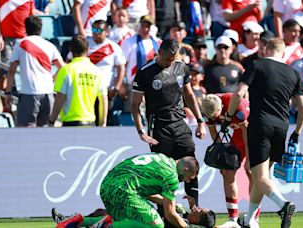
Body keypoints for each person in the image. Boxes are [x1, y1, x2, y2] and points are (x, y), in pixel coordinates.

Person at [222, 38, 303, 228]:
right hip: (282, 128)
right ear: (283, 53)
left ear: (266, 49)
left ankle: (283, 205)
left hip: (260, 125)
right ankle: (251, 219)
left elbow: (238, 94)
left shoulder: (257, 65)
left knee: (259, 177)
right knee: (262, 175)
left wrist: (228, 117)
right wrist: (297, 132)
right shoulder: (294, 73)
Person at [131, 39, 207, 208]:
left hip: (180, 125)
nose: (169, 62)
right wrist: (141, 132)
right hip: (159, 129)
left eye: (172, 59)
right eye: (167, 59)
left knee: (192, 168)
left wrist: (200, 121)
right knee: (162, 175)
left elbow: (189, 95)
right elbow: (134, 105)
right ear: (159, 52)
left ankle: (195, 211)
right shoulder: (145, 72)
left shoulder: (181, 67)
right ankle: (166, 216)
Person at [100, 152, 204, 227]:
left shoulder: (162, 157)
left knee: (125, 223)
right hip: (123, 189)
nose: (188, 181)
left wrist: (169, 203)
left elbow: (144, 192)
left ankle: (85, 221)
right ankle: (105, 226)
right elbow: (170, 214)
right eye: (189, 178)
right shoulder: (172, 177)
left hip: (106, 185)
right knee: (156, 224)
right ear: (185, 170)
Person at [201, 93, 257, 228]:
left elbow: (246, 133)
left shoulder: (237, 106)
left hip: (253, 132)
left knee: (251, 172)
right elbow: (213, 132)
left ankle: (254, 218)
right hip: (237, 133)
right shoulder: (207, 108)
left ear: (221, 107)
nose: (214, 118)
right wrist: (222, 154)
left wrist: (249, 160)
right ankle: (233, 219)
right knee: (227, 171)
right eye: (211, 117)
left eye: (215, 115)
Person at [4, 16, 64, 127]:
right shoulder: (50, 45)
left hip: (29, 94)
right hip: (48, 94)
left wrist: (8, 92)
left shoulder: (21, 44)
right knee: (45, 132)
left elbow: (12, 70)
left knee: (25, 132)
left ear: (25, 28)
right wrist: (52, 79)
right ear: (40, 29)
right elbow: (63, 68)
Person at [49, 35, 108, 127]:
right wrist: (103, 123)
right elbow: (103, 99)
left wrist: (52, 120)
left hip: (70, 123)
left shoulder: (66, 70)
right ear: (88, 50)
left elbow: (60, 97)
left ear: (71, 50)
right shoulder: (97, 71)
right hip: (90, 123)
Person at [51, 195, 216, 228]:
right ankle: (68, 221)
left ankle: (69, 222)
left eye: (200, 210)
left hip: (141, 223)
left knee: (106, 218)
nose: (199, 207)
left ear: (197, 219)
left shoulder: (187, 225)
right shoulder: (186, 217)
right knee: (102, 212)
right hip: (142, 218)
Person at [120, 15, 161, 112]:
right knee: (134, 114)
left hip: (153, 87)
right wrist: (121, 84)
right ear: (139, 26)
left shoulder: (158, 43)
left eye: (148, 27)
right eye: (143, 26)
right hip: (133, 85)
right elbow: (122, 65)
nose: (145, 29)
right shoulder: (129, 42)